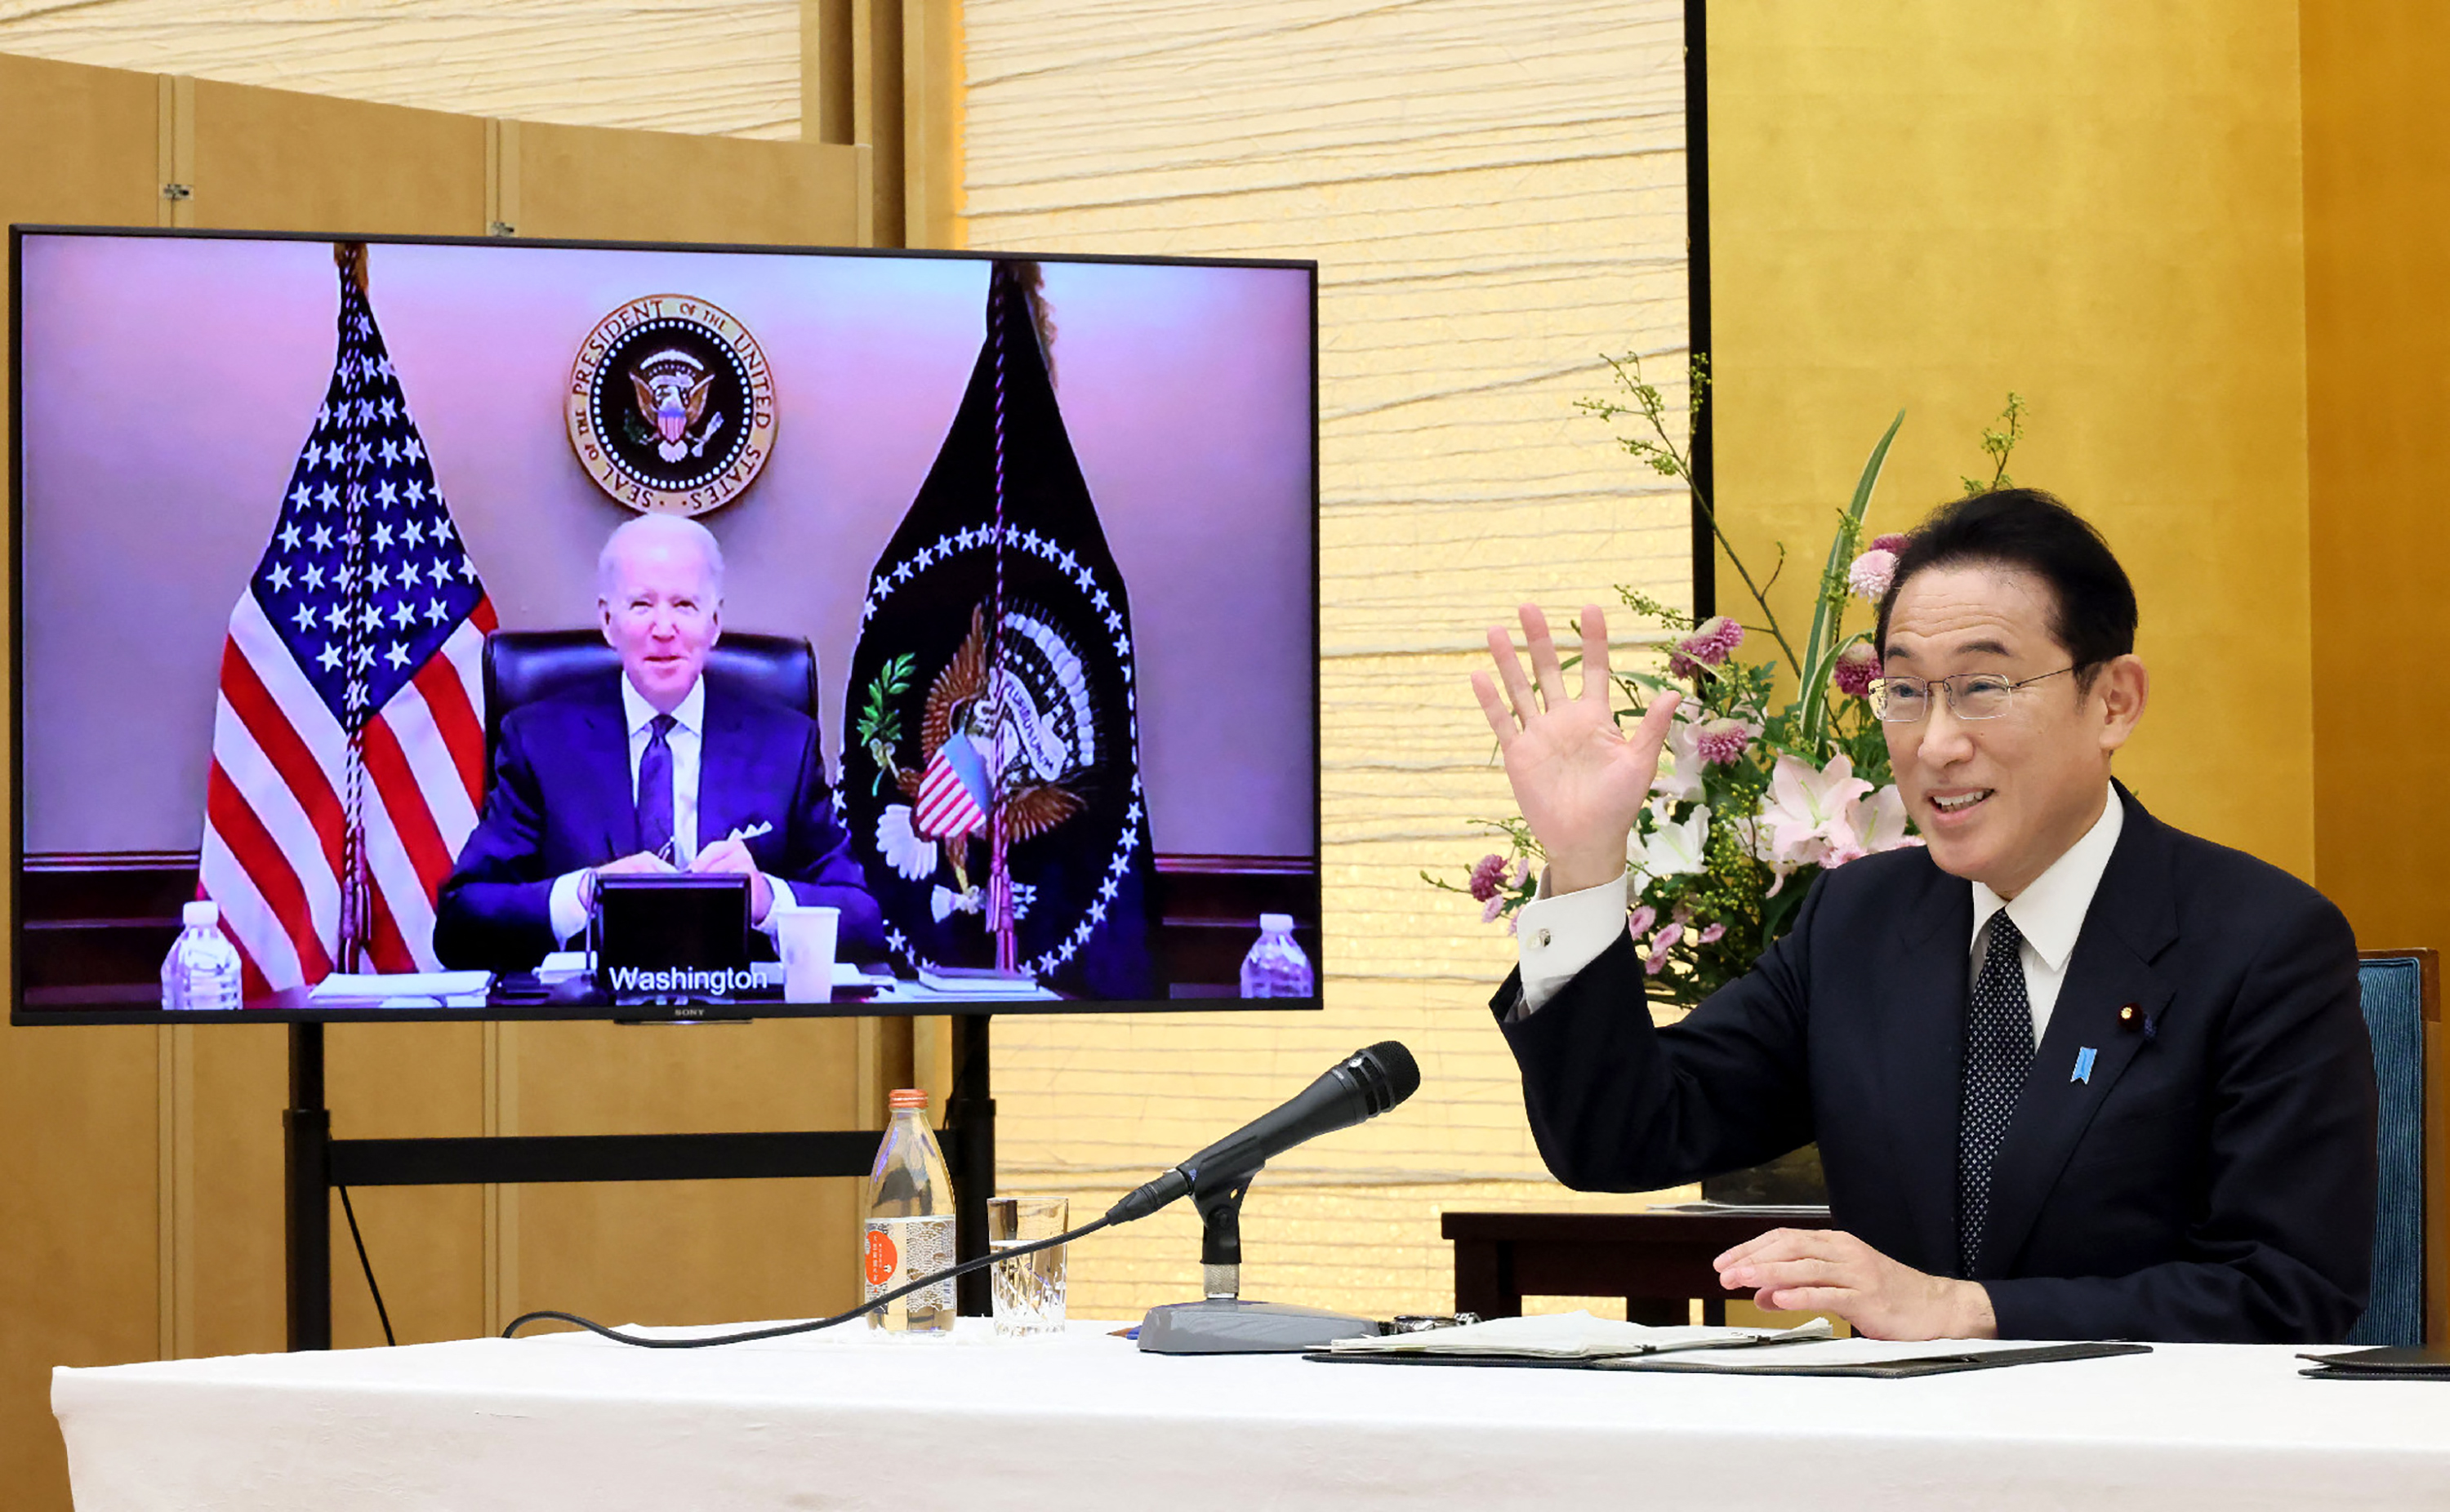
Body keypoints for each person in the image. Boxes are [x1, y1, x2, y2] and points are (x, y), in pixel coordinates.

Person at [1472, 489, 2376, 1343]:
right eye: (1905, 692)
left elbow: (2285, 1294)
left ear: (2114, 700)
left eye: (1984, 687)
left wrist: (1964, 1308)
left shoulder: (2261, 942)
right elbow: (1623, 1134)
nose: (1936, 743)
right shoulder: (1860, 922)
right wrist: (1586, 863)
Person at [435, 514, 884, 972]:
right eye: (641, 605)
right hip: (582, 1027)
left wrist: (767, 899)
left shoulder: (784, 745)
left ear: (714, 622)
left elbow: (864, 923)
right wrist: (584, 893)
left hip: (742, 1027)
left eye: (685, 605)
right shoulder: (539, 741)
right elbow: (460, 924)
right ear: (608, 622)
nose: (664, 628)